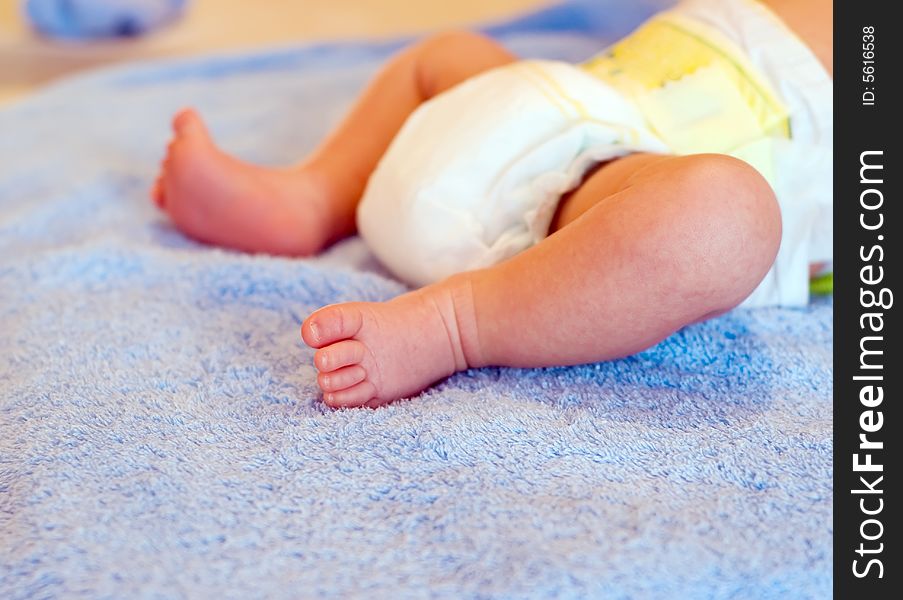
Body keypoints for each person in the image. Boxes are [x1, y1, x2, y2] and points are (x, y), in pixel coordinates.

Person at [151, 0, 833, 408]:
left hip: (596, 200)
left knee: (721, 213)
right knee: (445, 56)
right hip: (542, 107)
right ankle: (312, 196)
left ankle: (459, 324)